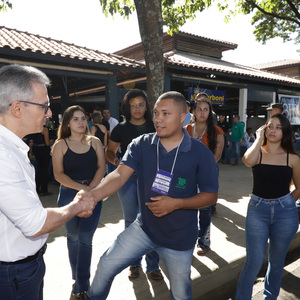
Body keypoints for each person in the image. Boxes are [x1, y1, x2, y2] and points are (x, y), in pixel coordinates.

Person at [86, 91, 219, 300]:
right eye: (156, 112)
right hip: (144, 229)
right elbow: (119, 176)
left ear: (183, 116)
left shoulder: (200, 153)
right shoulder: (141, 144)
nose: (157, 118)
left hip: (179, 239)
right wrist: (91, 196)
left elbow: (211, 196)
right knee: (106, 264)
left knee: (181, 293)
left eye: (165, 113)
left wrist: (177, 203)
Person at [0, 64, 95, 300]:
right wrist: (77, 206)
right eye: (44, 106)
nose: (50, 113)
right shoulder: (3, 156)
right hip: (15, 274)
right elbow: (34, 223)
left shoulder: (11, 148)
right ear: (17, 108)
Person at [236, 114, 300, 300]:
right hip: (258, 210)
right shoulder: (258, 152)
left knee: (277, 261)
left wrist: (287, 201)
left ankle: (269, 297)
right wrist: (257, 138)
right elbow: (248, 160)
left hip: (285, 214)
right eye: (270, 126)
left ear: (285, 131)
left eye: (278, 127)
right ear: (264, 128)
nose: (273, 130)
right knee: (253, 262)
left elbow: (299, 187)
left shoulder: (293, 158)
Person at [105, 89, 162, 280]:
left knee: (152, 220)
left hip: (152, 180)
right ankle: (134, 263)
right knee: (131, 222)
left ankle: (153, 266)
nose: (137, 109)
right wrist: (116, 161)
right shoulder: (120, 128)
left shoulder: (156, 126)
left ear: (147, 106)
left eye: (141, 104)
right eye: (133, 105)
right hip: (127, 179)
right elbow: (109, 152)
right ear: (127, 108)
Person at [52, 105, 106, 299]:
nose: (81, 122)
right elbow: (58, 175)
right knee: (73, 237)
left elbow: (102, 167)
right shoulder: (60, 145)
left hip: (93, 193)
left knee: (85, 238)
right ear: (67, 123)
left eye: (83, 118)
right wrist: (81, 189)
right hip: (68, 195)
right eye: (76, 119)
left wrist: (90, 189)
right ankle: (77, 277)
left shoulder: (96, 142)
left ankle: (82, 283)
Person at [184, 95, 224, 255]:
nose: (202, 112)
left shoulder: (217, 131)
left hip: (208, 173)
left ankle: (203, 242)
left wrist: (202, 170)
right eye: (199, 109)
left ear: (210, 112)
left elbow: (217, 155)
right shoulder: (186, 130)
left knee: (205, 209)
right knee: (187, 208)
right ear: (193, 111)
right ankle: (187, 242)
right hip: (187, 174)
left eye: (205, 110)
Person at [31, 125, 51, 196]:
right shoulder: (44, 129)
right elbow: (47, 143)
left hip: (36, 150)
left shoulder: (34, 128)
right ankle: (44, 190)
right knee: (44, 170)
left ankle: (37, 189)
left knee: (39, 170)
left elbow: (32, 141)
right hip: (44, 150)